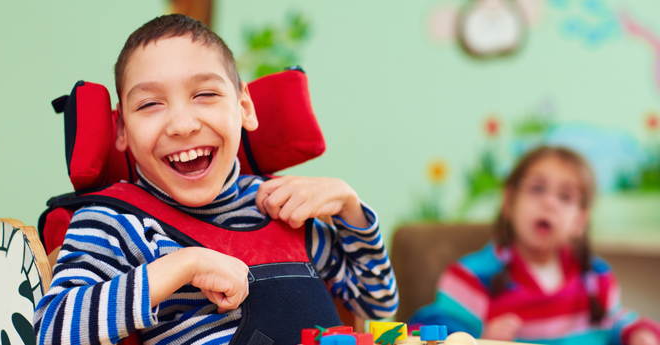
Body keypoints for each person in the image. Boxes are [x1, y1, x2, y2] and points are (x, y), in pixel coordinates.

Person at [33, 14, 397, 345]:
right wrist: (181, 266)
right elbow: (51, 330)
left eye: (205, 95)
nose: (182, 125)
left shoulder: (284, 207)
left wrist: (351, 208)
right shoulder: (115, 222)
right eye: (150, 105)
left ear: (244, 108)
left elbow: (378, 303)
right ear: (122, 130)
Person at [408, 146, 660, 345]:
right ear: (509, 202)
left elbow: (617, 323)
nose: (549, 203)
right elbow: (425, 333)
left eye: (565, 196)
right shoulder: (471, 277)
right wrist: (480, 340)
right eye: (537, 189)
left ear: (580, 221)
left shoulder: (596, 278)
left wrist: (639, 335)